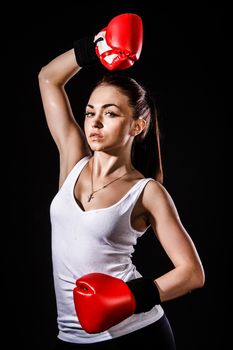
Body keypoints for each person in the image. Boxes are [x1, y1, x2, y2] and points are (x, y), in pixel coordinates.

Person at [38, 13, 205, 350]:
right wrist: (97, 45)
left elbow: (192, 272)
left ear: (136, 126)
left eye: (110, 113)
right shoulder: (73, 158)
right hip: (70, 336)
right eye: (90, 111)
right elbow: (47, 78)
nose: (95, 122)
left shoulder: (146, 191)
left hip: (133, 335)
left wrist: (131, 297)